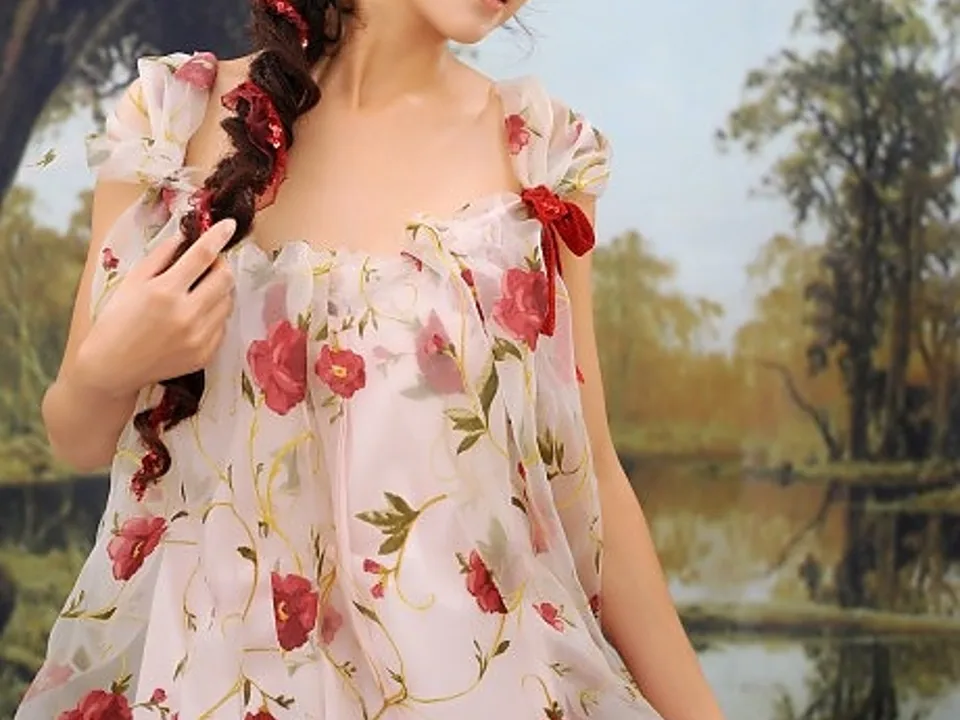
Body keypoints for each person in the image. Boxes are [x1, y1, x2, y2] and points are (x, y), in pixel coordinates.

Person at [16, 1, 725, 718]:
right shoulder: (173, 120)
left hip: (474, 687)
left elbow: (589, 476)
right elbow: (77, 437)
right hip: (222, 680)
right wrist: (110, 368)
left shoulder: (539, 156)